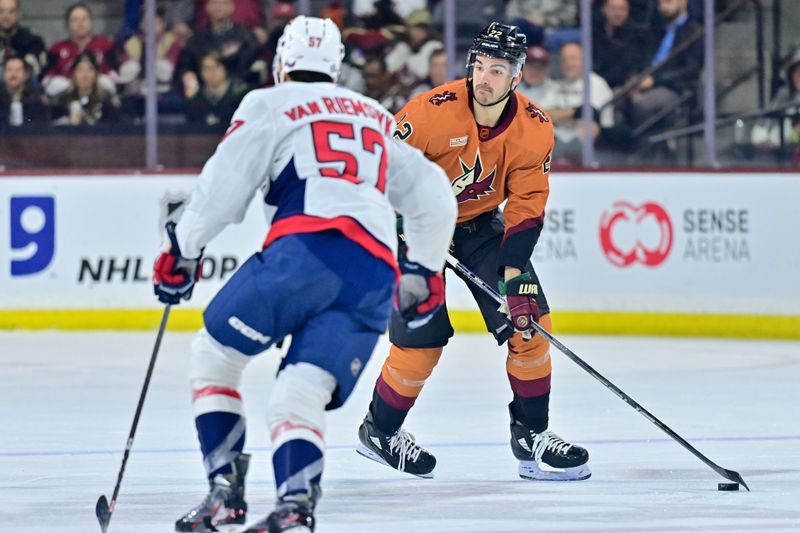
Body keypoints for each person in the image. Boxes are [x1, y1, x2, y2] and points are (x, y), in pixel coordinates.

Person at [153, 16, 457, 533]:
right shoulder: (375, 115)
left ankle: (225, 493)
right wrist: (424, 272)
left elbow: (221, 191)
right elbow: (434, 197)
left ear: (281, 64)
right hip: (374, 274)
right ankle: (295, 506)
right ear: (336, 68)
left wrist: (182, 249)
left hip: (305, 252)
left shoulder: (268, 102)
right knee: (299, 390)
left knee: (214, 354)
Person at [355, 22, 591, 482]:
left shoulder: (535, 127)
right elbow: (377, 170)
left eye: (497, 70)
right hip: (415, 229)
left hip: (480, 226)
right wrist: (401, 216)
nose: (483, 78)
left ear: (517, 76)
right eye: (479, 66)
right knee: (421, 342)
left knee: (531, 324)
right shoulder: (429, 111)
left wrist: (514, 271)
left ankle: (532, 435)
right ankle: (380, 431)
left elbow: (526, 203)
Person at [42, 2, 118, 98]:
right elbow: (48, 79)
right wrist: (74, 86)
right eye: (75, 20)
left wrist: (92, 83)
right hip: (66, 96)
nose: (80, 23)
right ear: (67, 24)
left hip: (100, 95)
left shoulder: (105, 44)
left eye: (84, 19)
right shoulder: (57, 49)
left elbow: (115, 74)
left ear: (91, 22)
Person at [0, 0, 47, 80]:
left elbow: (38, 73)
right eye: (1, 11)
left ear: (19, 14)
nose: (6, 16)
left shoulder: (34, 42)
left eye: (11, 12)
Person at [0, 54, 46, 126]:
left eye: (18, 70)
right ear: (3, 74)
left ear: (26, 74)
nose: (13, 74)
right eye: (9, 70)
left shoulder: (35, 98)